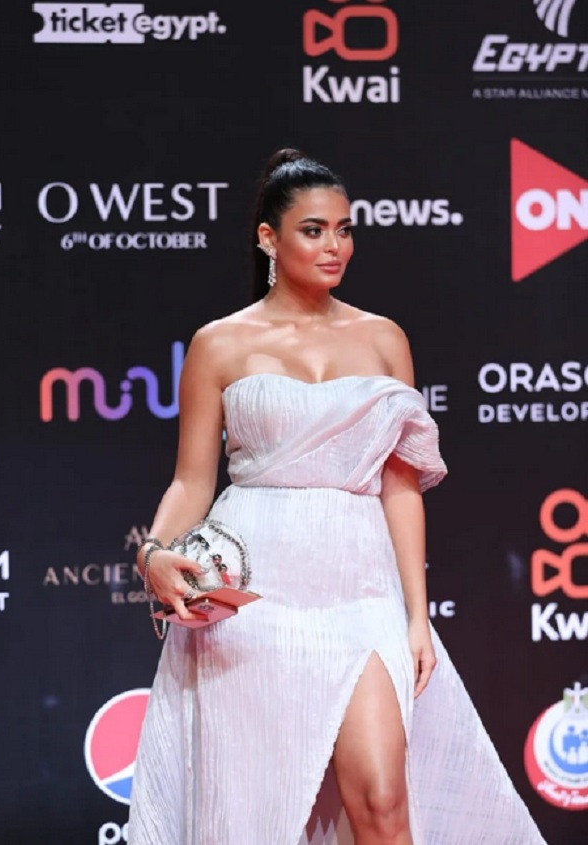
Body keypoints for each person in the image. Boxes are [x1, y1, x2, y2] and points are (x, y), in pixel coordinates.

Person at [127, 149, 548, 845]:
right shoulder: (218, 344)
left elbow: (401, 485)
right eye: (314, 230)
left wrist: (416, 617)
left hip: (360, 588)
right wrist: (153, 554)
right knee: (260, 812)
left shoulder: (384, 339)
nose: (335, 247)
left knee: (382, 799)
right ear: (269, 238)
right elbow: (192, 482)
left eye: (345, 230)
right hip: (256, 599)